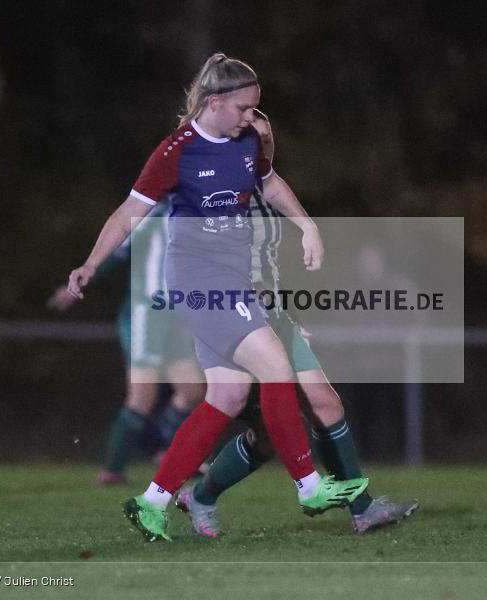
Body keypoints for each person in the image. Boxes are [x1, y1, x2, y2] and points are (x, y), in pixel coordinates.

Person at [67, 53, 368, 542]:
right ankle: (310, 485)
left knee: (227, 396)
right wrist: (92, 263)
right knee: (276, 368)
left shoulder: (247, 140)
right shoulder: (176, 152)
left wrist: (308, 226)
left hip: (234, 282)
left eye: (255, 108)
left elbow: (269, 185)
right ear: (215, 102)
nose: (253, 118)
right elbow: (129, 213)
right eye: (245, 108)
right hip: (200, 282)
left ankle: (152, 502)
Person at [175, 112, 419, 536]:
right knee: (266, 435)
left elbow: (265, 260)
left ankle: (361, 509)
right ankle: (195, 495)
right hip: (231, 315)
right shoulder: (215, 181)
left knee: (324, 404)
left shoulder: (264, 183)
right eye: (251, 124)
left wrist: (304, 240)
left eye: (264, 124)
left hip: (269, 312)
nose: (262, 130)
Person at [48, 205, 204, 485]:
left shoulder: (199, 213)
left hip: (177, 315)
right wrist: (82, 280)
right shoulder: (150, 214)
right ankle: (113, 469)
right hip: (146, 314)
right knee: (142, 397)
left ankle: (167, 450)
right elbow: (115, 252)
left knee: (192, 389)